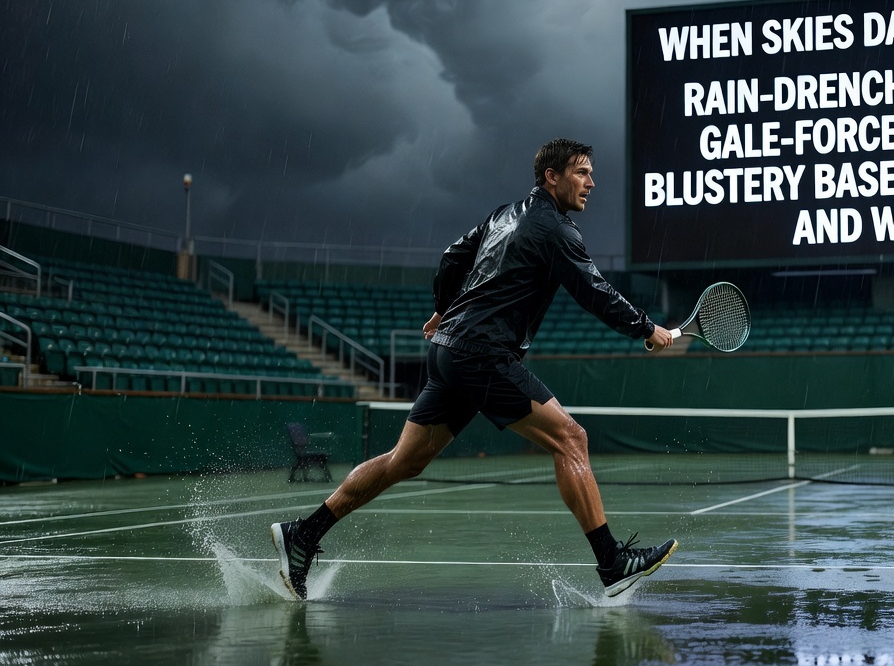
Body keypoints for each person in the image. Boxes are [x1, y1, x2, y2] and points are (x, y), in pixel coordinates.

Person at [271, 138, 678, 600]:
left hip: (450, 352)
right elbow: (593, 290)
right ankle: (612, 563)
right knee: (572, 438)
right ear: (552, 176)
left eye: (591, 173)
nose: (592, 182)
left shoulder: (503, 214)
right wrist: (646, 328)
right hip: (482, 354)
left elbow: (451, 258)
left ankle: (302, 536)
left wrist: (445, 310)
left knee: (404, 462)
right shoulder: (556, 230)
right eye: (582, 172)